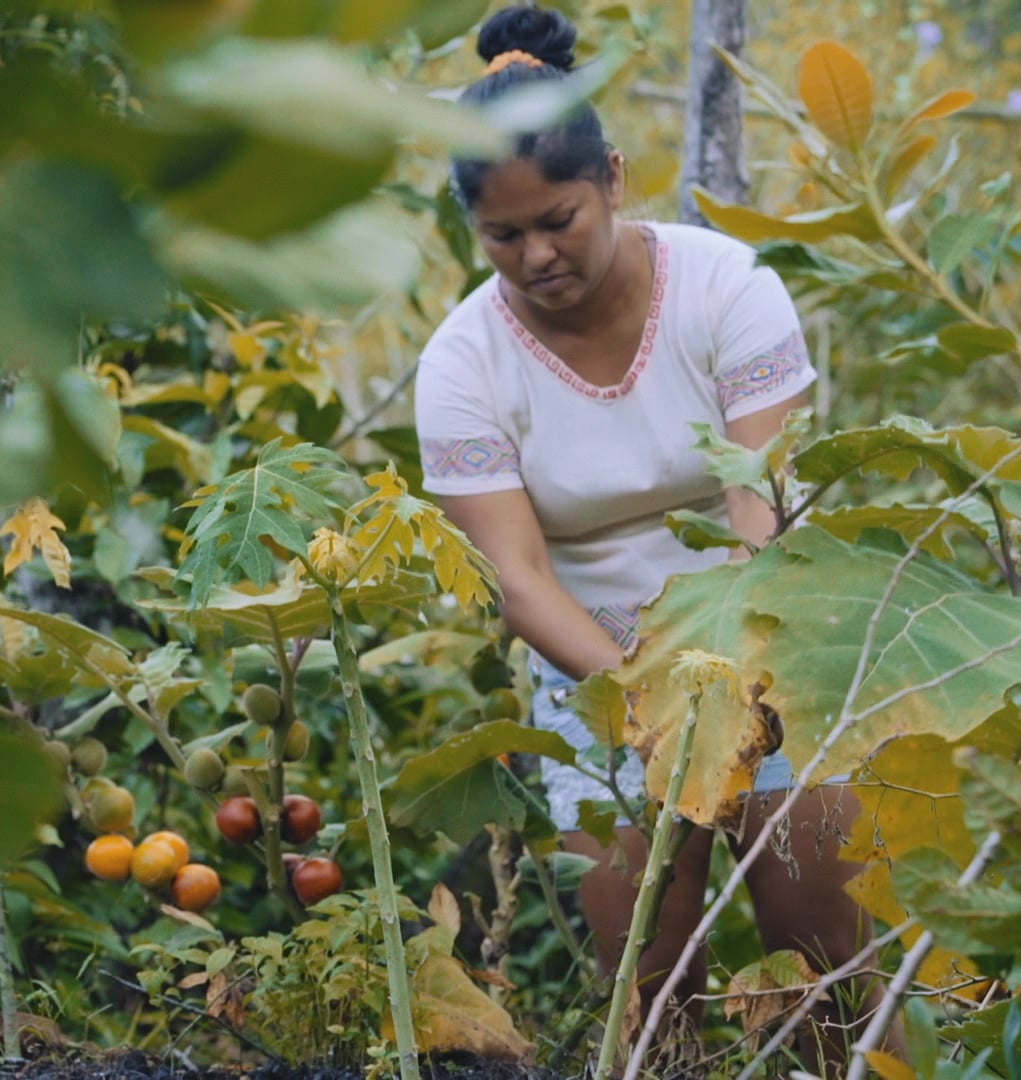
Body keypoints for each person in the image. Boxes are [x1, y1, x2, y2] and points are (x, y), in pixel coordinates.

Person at [414, 6, 876, 1072]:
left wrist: (735, 688)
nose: (537, 256)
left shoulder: (727, 291)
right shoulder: (462, 365)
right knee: (651, 989)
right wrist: (642, 697)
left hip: (769, 654)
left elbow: (763, 511)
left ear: (614, 178)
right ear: (473, 232)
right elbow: (521, 584)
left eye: (560, 221)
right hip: (601, 686)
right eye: (503, 236)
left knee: (826, 976)